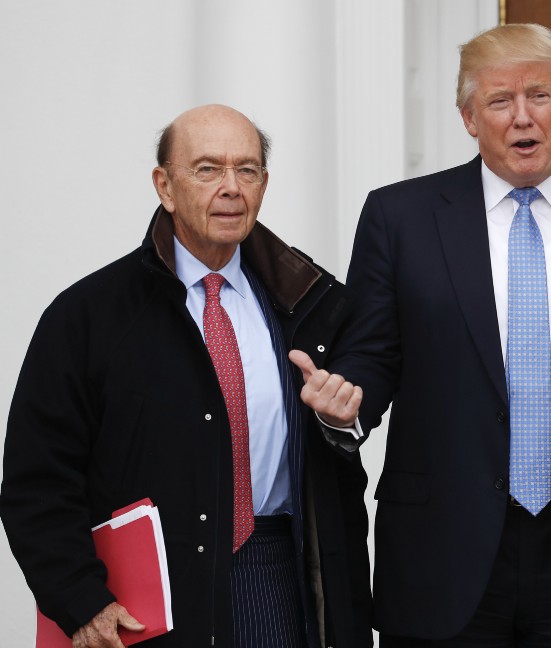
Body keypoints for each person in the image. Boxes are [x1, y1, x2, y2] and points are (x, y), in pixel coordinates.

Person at [290, 22, 551, 647]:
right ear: (467, 118)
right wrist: (344, 404)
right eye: (499, 101)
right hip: (442, 548)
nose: (522, 118)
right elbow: (373, 356)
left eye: (539, 95)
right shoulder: (399, 218)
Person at [0, 105, 372, 648]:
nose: (231, 188)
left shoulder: (311, 307)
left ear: (264, 185)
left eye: (247, 170)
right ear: (165, 186)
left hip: (282, 579)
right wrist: (81, 601)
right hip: (148, 596)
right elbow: (37, 481)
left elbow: (346, 441)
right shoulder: (89, 315)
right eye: (207, 169)